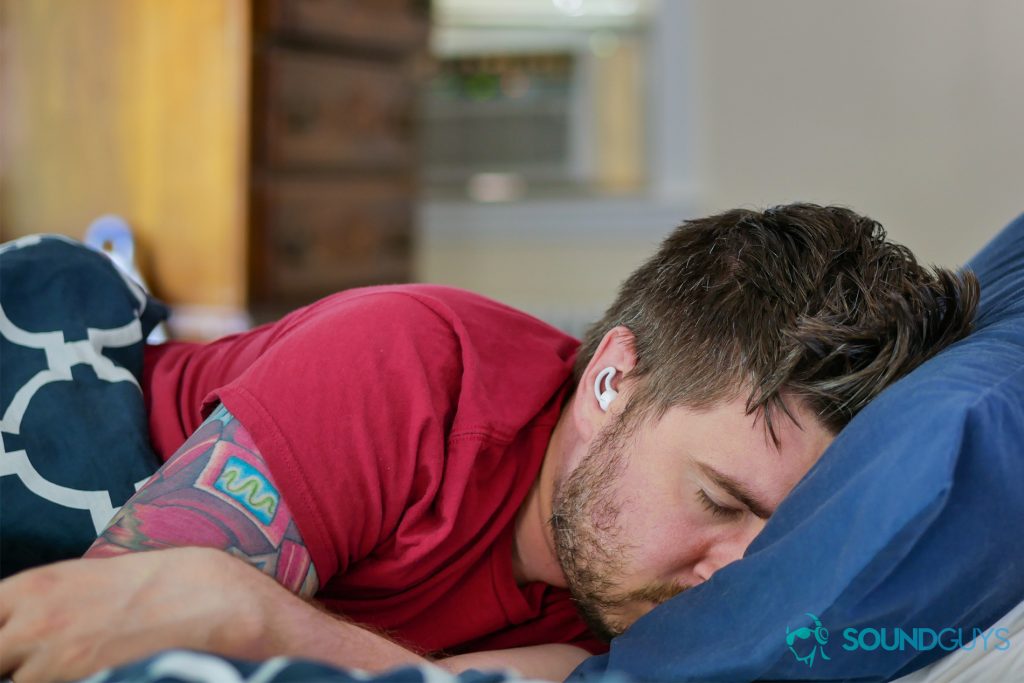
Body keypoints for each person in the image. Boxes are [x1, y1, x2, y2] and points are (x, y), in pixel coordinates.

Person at [0, 204, 978, 682]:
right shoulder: (411, 369)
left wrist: (252, 616)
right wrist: (209, 600)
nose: (722, 571)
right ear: (612, 377)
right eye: (718, 500)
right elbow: (97, 620)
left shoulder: (634, 613)